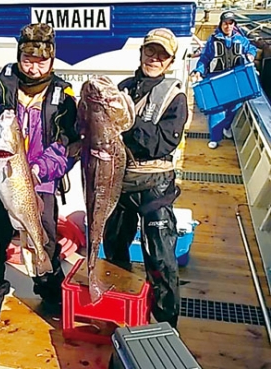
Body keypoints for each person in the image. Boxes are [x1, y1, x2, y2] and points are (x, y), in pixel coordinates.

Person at [0, 23, 79, 323]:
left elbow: (69, 144)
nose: (33, 66)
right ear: (18, 56)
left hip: (39, 184)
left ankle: (51, 294)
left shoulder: (64, 96)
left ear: (52, 60)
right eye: (27, 59)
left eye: (41, 60)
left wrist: (42, 168)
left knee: (44, 240)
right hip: (1, 178)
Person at [102, 28, 188, 329]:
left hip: (156, 185)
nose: (154, 58)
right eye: (150, 51)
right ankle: (117, 307)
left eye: (162, 54)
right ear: (141, 52)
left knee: (161, 257)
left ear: (170, 61)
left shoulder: (175, 96)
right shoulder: (123, 88)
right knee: (112, 246)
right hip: (121, 179)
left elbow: (161, 144)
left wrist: (129, 122)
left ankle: (166, 323)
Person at [191, 11, 257, 149]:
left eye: (230, 23)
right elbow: (205, 58)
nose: (228, 26)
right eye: (225, 23)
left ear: (234, 24)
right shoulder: (213, 40)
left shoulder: (241, 39)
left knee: (234, 108)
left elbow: (252, 48)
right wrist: (198, 71)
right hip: (217, 79)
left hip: (236, 79)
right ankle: (215, 137)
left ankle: (227, 127)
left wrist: (251, 54)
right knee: (216, 110)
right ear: (221, 24)